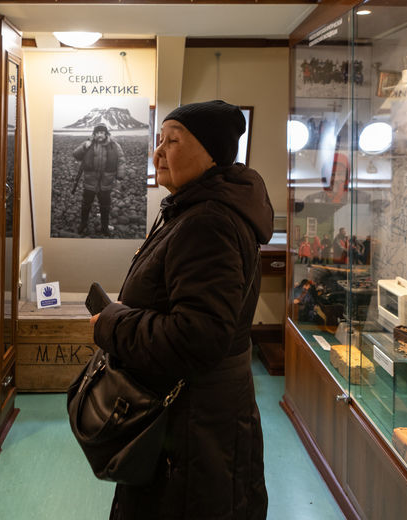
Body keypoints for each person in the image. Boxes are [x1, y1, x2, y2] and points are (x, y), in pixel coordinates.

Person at [90, 100, 272, 519]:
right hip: (193, 418)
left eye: (172, 141)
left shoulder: (208, 223)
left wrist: (112, 323)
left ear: (211, 154)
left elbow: (197, 337)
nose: (158, 152)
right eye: (159, 140)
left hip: (195, 428)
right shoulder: (194, 210)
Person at [72, 123, 126, 236]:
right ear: (94, 134)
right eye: (97, 133)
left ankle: (104, 227)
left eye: (102, 132)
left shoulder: (114, 145)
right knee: (86, 203)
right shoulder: (88, 144)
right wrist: (84, 147)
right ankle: (83, 223)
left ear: (106, 134)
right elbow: (76, 155)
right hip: (90, 181)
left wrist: (120, 176)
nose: (99, 135)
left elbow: (121, 160)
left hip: (106, 182)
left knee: (105, 205)